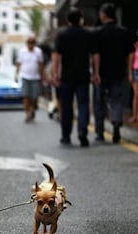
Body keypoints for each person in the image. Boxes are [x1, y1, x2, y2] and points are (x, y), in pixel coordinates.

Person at [52, 7, 98, 147]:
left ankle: (66, 136)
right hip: (83, 75)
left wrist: (55, 74)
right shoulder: (88, 34)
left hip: (66, 76)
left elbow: (56, 56)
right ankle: (82, 130)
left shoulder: (62, 35)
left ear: (67, 20)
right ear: (81, 19)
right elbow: (95, 55)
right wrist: (96, 73)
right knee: (83, 104)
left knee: (66, 106)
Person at [93, 2, 135, 143]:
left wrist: (96, 72)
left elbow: (96, 54)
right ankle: (116, 122)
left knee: (99, 102)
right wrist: (129, 71)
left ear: (104, 15)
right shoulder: (123, 32)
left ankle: (100, 133)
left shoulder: (98, 32)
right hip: (118, 72)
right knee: (116, 100)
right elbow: (130, 54)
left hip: (102, 73)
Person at [15, 36, 45, 122]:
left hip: (35, 77)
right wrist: (16, 75)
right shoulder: (22, 52)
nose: (30, 45)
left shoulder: (38, 52)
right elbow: (18, 64)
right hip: (25, 76)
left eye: (32, 43)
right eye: (29, 43)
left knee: (35, 97)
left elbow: (41, 64)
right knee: (26, 96)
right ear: (26, 44)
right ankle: (27, 113)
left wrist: (43, 75)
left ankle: (32, 109)